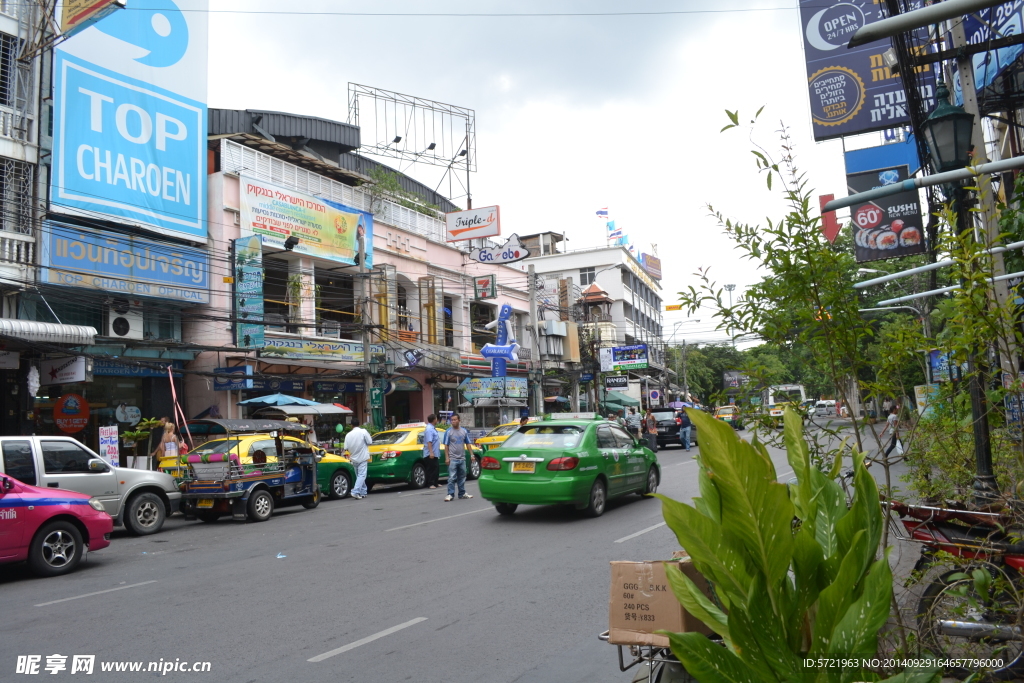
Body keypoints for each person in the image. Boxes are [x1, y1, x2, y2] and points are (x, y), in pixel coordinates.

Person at [442, 414, 474, 501]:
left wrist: (472, 455)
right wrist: (447, 458)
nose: (453, 421)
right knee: (452, 477)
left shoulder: (464, 431)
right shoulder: (448, 432)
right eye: (452, 420)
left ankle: (462, 493)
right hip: (453, 459)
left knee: (462, 477)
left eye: (455, 420)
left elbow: (468, 444)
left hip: (462, 458)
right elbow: (446, 446)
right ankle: (450, 494)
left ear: (459, 420)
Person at [345, 422, 373, 499]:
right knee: (362, 475)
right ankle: (356, 491)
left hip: (353, 458)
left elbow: (346, 447)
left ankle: (363, 492)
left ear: (351, 425)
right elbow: (370, 442)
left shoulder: (348, 435)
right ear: (359, 424)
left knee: (359, 476)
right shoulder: (363, 431)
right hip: (363, 457)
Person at [423, 413, 441, 489]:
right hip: (430, 453)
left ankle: (435, 483)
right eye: (436, 419)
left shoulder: (433, 428)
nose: (437, 420)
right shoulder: (429, 429)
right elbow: (429, 442)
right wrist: (431, 452)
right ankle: (430, 483)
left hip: (435, 452)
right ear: (434, 420)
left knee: (436, 468)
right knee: (431, 469)